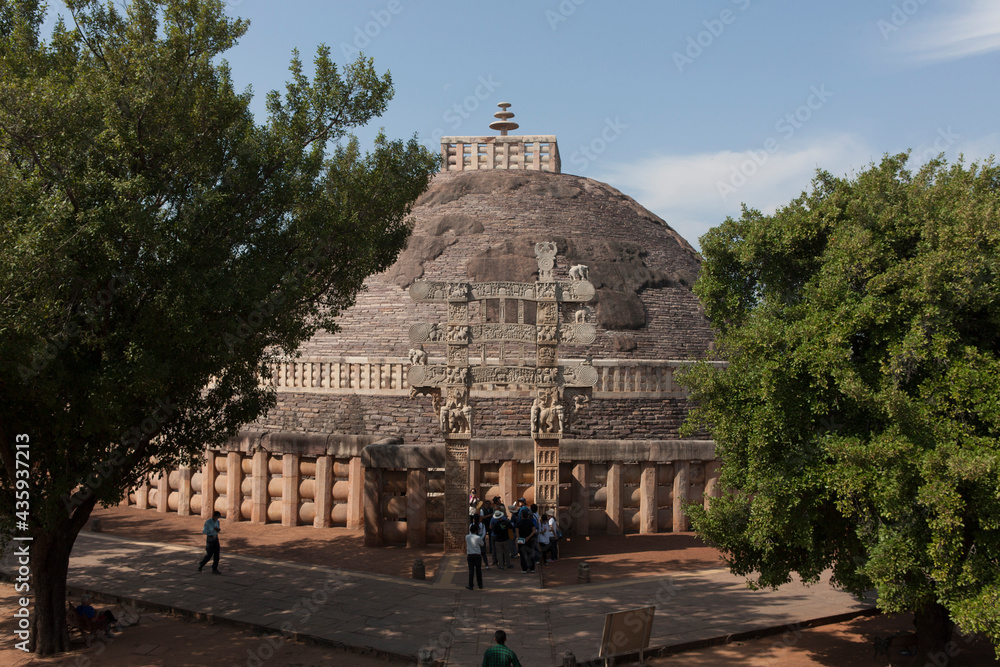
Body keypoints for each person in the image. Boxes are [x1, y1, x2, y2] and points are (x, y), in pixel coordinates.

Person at [515, 507, 536, 573]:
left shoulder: (519, 523)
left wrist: (519, 538)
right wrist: (529, 537)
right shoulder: (530, 522)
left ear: (521, 515)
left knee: (522, 555)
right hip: (529, 540)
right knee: (530, 553)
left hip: (521, 540)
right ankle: (532, 568)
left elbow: (517, 532)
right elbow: (534, 530)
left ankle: (524, 568)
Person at [466, 521, 484, 590]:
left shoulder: (467, 537)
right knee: (478, 570)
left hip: (470, 555)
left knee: (471, 571)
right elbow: (482, 544)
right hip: (477, 555)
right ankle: (480, 584)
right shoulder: (478, 538)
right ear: (476, 531)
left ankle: (470, 585)